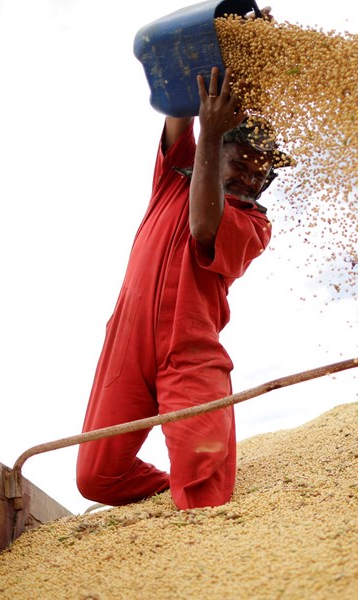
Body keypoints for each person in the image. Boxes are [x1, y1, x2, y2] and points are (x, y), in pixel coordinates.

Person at [75, 65, 294, 510]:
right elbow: (179, 108)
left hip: (190, 351)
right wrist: (217, 57)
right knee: (96, 478)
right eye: (243, 163)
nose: (252, 178)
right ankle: (170, 490)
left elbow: (203, 225)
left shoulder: (255, 224)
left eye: (262, 172)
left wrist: (212, 134)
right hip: (126, 344)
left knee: (204, 492)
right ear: (218, 152)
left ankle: (194, 507)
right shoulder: (175, 177)